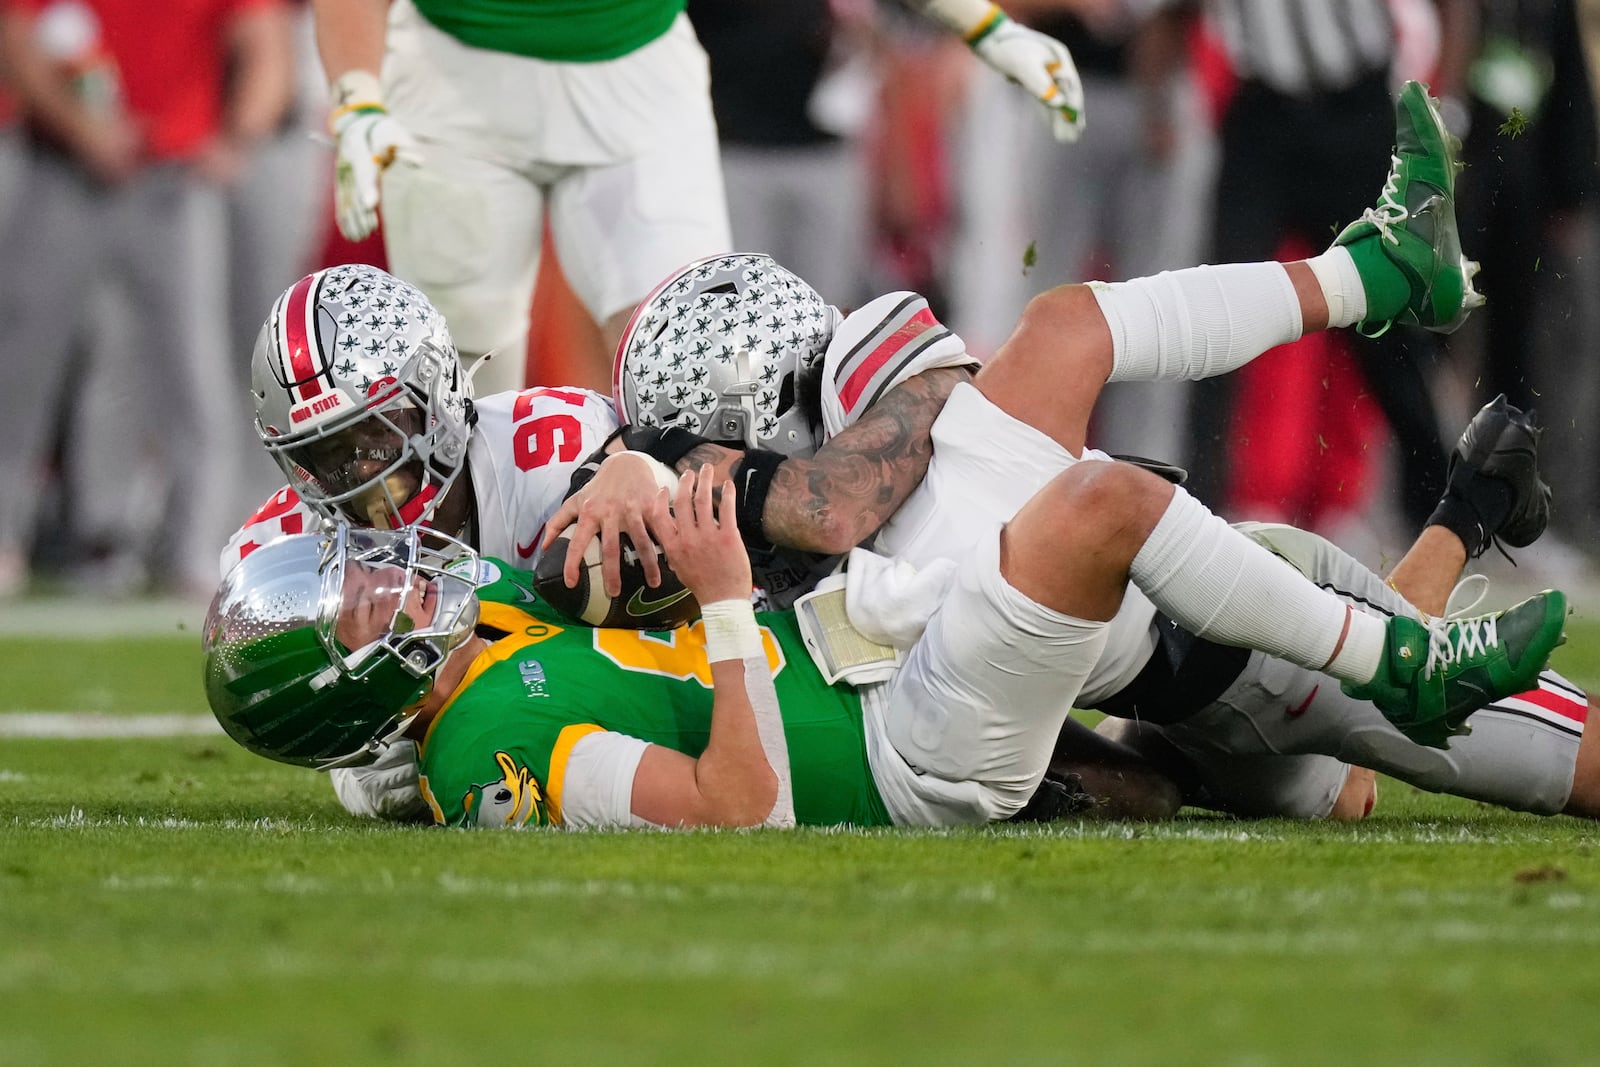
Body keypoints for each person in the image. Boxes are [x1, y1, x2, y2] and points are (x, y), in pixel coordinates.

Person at [203, 447, 1565, 829]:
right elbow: (738, 803)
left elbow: (604, 559)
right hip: (907, 744)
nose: (387, 570)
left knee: (1262, 687)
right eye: (361, 598)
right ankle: (1407, 652)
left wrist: (634, 464)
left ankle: (1439, 555)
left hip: (871, 645)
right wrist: (729, 593)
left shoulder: (489, 613)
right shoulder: (483, 749)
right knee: (1100, 502)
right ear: (351, 677)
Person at [312, 0, 1088, 395]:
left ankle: (695, 616)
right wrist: (357, 94)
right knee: (465, 371)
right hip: (458, 73)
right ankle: (465, 617)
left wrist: (986, 26)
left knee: (703, 364)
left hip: (639, 72)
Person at [0, 0, 293, 597]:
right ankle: (15, 539)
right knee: (20, 370)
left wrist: (238, 138)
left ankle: (200, 551)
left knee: (195, 375)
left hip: (171, 181)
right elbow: (17, 38)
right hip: (61, 170)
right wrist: (85, 130)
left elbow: (265, 41)